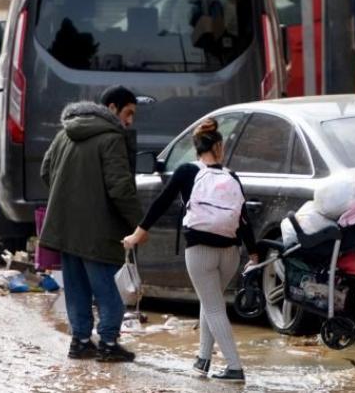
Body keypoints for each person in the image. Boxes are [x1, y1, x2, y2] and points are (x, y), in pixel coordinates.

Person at [122, 118, 258, 383]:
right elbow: (243, 219)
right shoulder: (231, 176)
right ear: (220, 147)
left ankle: (234, 367)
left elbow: (161, 203)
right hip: (230, 252)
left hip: (200, 251)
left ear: (196, 148)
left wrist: (139, 233)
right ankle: (203, 359)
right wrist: (253, 254)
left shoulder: (186, 172)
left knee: (214, 307)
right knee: (211, 302)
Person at [39, 85, 143, 362]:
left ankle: (81, 341)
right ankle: (108, 343)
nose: (130, 120)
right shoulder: (112, 139)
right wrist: (139, 224)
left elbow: (45, 171)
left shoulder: (64, 133)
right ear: (112, 108)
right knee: (108, 289)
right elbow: (120, 188)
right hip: (99, 231)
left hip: (65, 229)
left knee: (76, 288)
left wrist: (69, 201)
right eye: (129, 112)